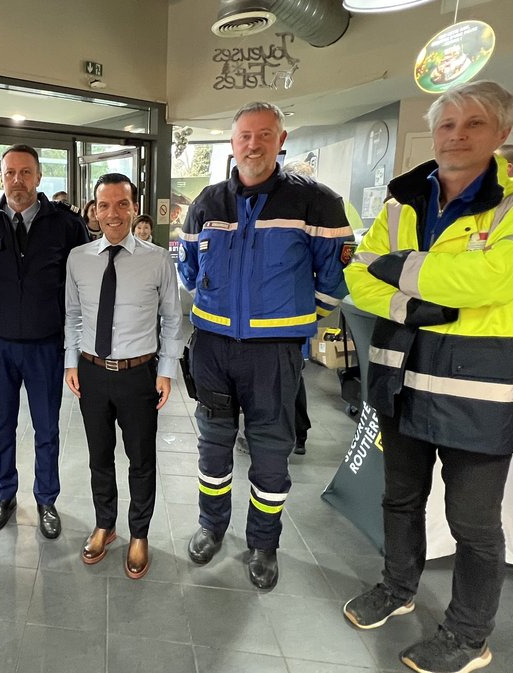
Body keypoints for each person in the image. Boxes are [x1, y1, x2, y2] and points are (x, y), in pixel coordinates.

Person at [342, 81, 513, 673]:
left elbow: (498, 278)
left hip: (481, 389)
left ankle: (468, 636)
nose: (457, 135)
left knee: (473, 523)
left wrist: (402, 270)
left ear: (501, 133)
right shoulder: (402, 204)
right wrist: (415, 304)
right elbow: (360, 275)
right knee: (400, 498)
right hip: (402, 377)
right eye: (447, 124)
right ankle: (397, 587)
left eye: (474, 124)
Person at [177, 101, 352, 589]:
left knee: (271, 453)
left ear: (281, 140)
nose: (253, 145)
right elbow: (188, 266)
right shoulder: (208, 202)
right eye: (244, 136)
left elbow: (335, 280)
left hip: (273, 354)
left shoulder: (316, 202)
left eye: (264, 135)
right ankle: (212, 526)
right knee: (213, 446)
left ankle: (263, 543)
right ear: (232, 143)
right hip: (212, 349)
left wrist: (291, 323)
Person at [64, 173, 182, 580]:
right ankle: (104, 525)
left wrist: (166, 371)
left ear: (134, 208)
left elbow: (172, 318)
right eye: (104, 205)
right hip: (92, 373)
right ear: (94, 211)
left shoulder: (158, 259)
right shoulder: (78, 258)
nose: (112, 213)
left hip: (139, 375)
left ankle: (139, 534)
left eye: (121, 204)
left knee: (141, 459)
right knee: (99, 457)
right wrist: (71, 363)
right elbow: (73, 315)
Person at [0, 145, 91, 539]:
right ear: (1, 176)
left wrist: (76, 344)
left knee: (46, 429)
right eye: (10, 173)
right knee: (2, 426)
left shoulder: (66, 225)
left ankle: (46, 499)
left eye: (25, 172)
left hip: (45, 345)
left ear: (39, 177)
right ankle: (5, 495)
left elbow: (81, 285)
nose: (17, 180)